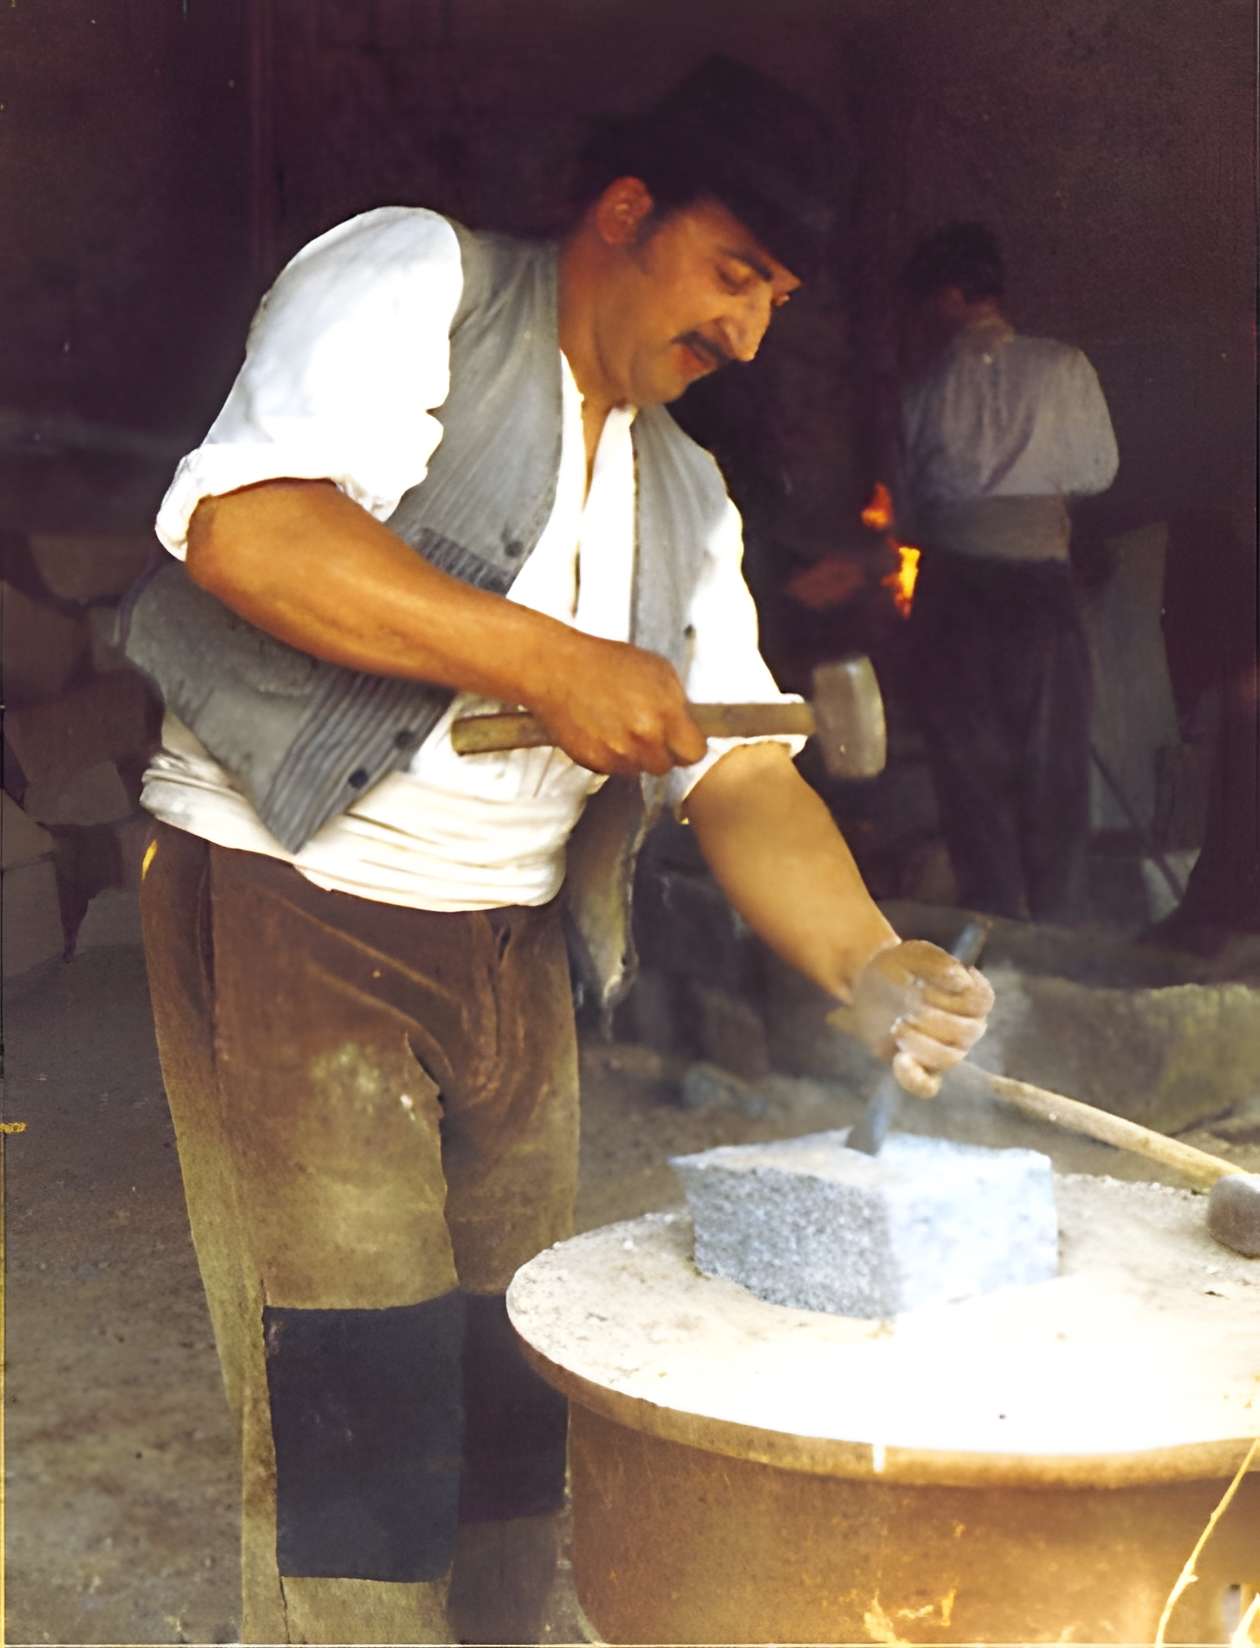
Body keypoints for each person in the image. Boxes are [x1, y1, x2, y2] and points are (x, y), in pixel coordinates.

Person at [124, 59, 994, 1647]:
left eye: (778, 298)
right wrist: (548, 660)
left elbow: (743, 777)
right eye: (736, 274)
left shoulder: (690, 495)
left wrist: (867, 962)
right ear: (624, 214)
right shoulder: (418, 282)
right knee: (357, 1415)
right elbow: (246, 527)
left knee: (523, 1393)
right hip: (292, 909)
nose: (749, 332)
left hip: (516, 954)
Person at [894, 221, 1119, 923]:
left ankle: (998, 932)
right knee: (1052, 770)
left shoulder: (923, 388)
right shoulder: (1063, 367)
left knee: (971, 780)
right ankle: (1056, 932)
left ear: (953, 296)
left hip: (954, 594)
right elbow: (1097, 470)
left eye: (933, 300)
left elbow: (911, 505)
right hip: (1036, 589)